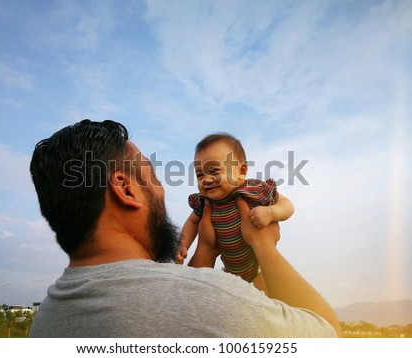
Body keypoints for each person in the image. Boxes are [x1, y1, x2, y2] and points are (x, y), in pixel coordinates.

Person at [29, 119, 342, 338]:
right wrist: (263, 246)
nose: (163, 189)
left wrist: (205, 248)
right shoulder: (214, 303)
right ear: (126, 190)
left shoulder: (47, 317)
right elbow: (328, 336)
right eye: (151, 176)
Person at [176, 133, 294, 293]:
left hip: (258, 269)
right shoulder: (204, 202)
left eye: (214, 171)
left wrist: (271, 212)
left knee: (268, 298)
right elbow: (192, 222)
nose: (206, 179)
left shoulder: (253, 190)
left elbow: (287, 205)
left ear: (241, 171)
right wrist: (182, 244)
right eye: (200, 175)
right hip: (229, 272)